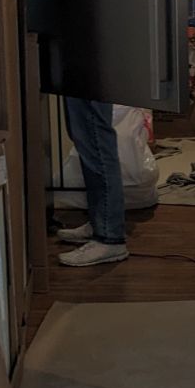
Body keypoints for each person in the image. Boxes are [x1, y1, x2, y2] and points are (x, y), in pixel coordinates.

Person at [56, 98, 129, 266]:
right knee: (88, 139)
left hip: (91, 74)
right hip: (86, 74)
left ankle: (109, 236)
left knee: (95, 139)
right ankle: (100, 224)